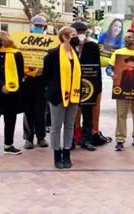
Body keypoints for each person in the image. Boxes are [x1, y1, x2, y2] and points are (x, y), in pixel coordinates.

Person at [43, 26, 82, 169]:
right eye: (73, 35)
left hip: (74, 95)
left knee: (69, 125)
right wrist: (52, 89)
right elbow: (46, 76)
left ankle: (67, 153)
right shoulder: (52, 54)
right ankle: (56, 154)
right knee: (56, 126)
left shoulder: (75, 53)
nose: (76, 37)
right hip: (57, 96)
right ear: (65, 37)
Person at [106, 29, 134, 151]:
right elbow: (108, 68)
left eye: (130, 37)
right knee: (121, 114)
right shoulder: (118, 53)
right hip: (121, 89)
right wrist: (111, 74)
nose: (126, 39)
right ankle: (120, 140)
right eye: (126, 37)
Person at [0, 31, 24, 161]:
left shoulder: (17, 54)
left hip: (12, 93)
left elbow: (20, 73)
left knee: (11, 119)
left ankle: (8, 145)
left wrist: (13, 86)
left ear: (4, 40)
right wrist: (1, 86)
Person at [71, 22, 102, 151]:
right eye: (78, 32)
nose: (80, 34)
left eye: (83, 32)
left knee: (87, 113)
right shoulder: (68, 46)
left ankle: (86, 139)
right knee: (71, 114)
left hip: (88, 85)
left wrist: (97, 87)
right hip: (72, 85)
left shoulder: (93, 46)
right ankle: (72, 139)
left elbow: (97, 67)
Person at [23, 15, 49, 150]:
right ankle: (28, 138)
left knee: (41, 111)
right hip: (27, 80)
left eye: (41, 26)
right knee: (28, 111)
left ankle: (41, 137)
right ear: (31, 25)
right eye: (36, 25)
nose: (38, 28)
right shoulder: (23, 41)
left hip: (42, 81)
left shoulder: (50, 42)